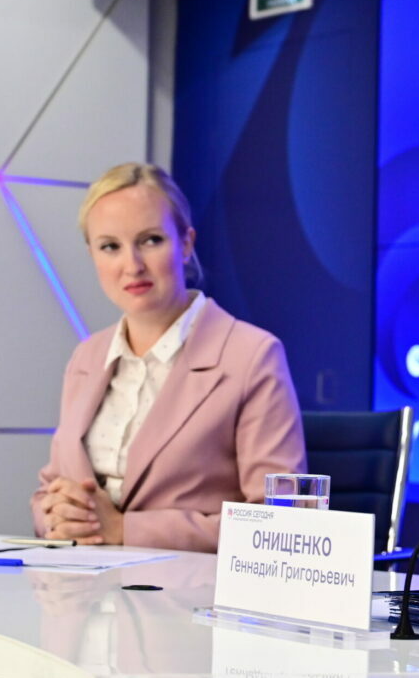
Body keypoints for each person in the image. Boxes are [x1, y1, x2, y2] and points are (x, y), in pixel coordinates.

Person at [31, 163, 306, 553]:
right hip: (80, 581)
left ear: (186, 244)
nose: (132, 266)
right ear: (92, 254)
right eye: (110, 246)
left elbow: (283, 522)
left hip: (188, 588)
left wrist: (126, 529)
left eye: (151, 240)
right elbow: (50, 490)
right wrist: (56, 516)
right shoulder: (86, 357)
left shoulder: (252, 356)